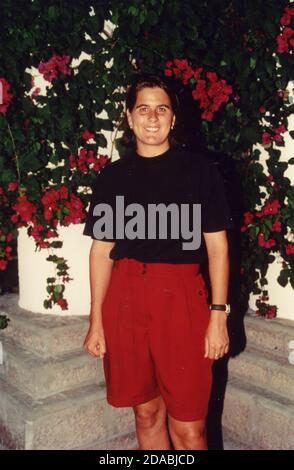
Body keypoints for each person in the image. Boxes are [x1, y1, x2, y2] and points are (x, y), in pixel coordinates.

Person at [83, 74, 232, 450]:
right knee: (146, 413)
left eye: (161, 109)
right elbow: (102, 251)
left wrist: (218, 316)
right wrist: (96, 320)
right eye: (143, 109)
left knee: (189, 428)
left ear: (173, 119)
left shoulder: (201, 172)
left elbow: (218, 249)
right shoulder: (113, 178)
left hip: (182, 300)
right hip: (127, 298)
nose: (152, 118)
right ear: (129, 118)